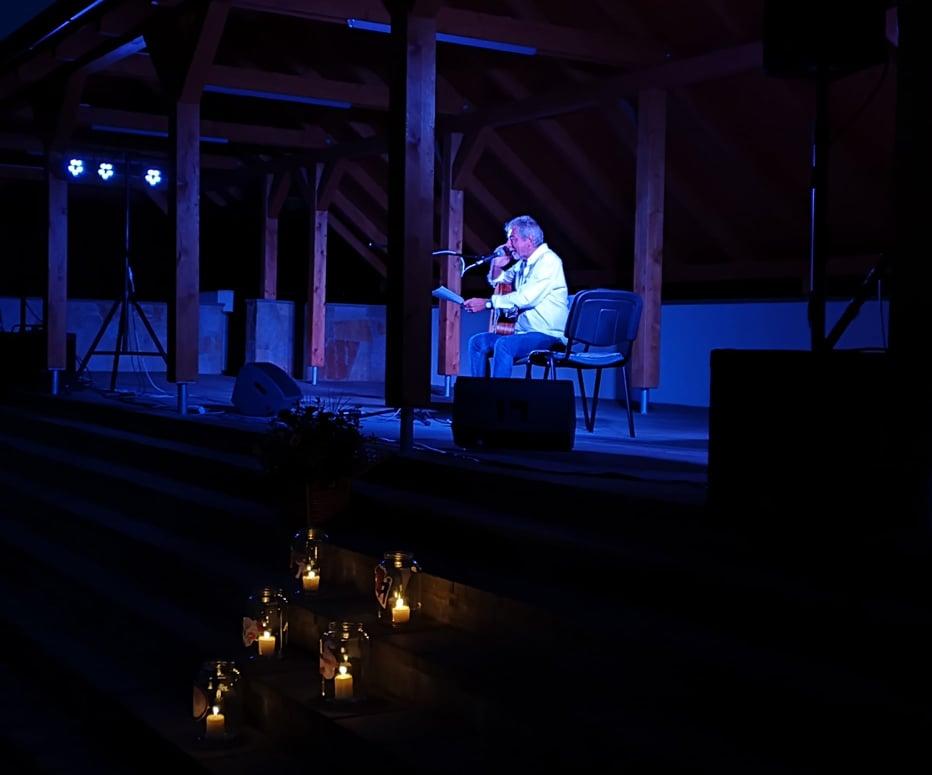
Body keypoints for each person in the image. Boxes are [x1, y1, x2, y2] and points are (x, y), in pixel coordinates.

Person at [463, 215, 568, 378]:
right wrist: (496, 265)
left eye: (513, 239)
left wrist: (487, 303)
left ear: (529, 240)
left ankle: (498, 393)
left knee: (504, 344)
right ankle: (481, 391)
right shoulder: (523, 264)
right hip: (523, 334)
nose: (508, 245)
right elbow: (499, 281)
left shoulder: (548, 261)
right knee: (477, 343)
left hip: (548, 335)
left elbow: (525, 298)